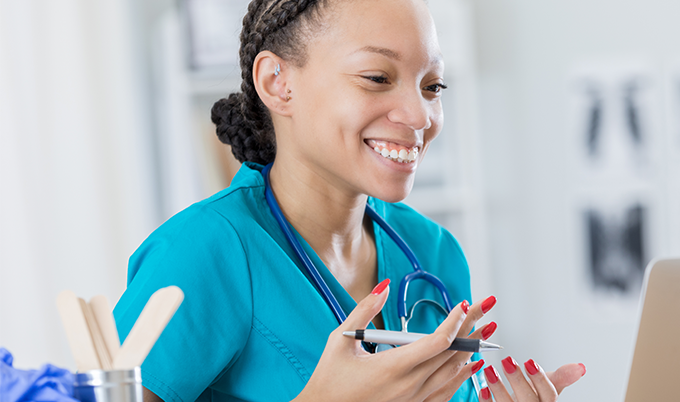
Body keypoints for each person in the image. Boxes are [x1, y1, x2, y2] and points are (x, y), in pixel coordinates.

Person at [113, 0, 585, 401]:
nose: (421, 115)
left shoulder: (433, 251)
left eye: (432, 86)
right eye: (377, 77)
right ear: (278, 81)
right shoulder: (204, 251)